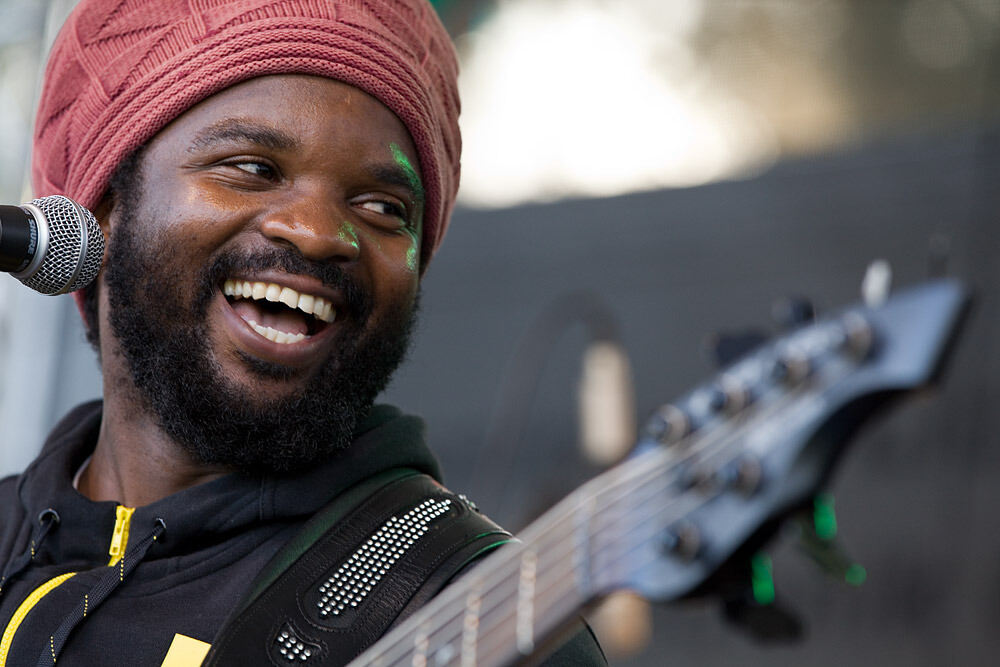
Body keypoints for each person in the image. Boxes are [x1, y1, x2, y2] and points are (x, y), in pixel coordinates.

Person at [0, 1, 606, 664]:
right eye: (253, 168)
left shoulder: (481, 620)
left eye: (382, 207)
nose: (320, 233)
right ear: (102, 211)